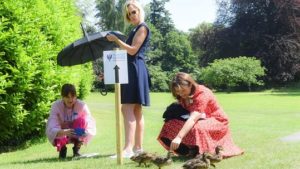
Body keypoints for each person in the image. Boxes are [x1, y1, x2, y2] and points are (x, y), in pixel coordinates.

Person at [157, 72, 243, 158]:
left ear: (190, 85)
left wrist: (179, 137)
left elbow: (193, 118)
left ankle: (203, 152)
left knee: (197, 128)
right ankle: (188, 150)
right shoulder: (183, 95)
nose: (181, 94)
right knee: (170, 124)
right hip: (199, 118)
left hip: (217, 120)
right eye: (177, 91)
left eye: (183, 90)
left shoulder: (202, 93)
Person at [106, 0, 151, 158]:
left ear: (139, 11)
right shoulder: (137, 28)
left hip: (134, 69)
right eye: (128, 13)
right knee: (136, 110)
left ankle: (128, 149)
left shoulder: (142, 27)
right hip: (134, 69)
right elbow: (127, 52)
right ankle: (138, 148)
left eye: (133, 12)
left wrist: (117, 41)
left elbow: (132, 51)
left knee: (126, 108)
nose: (131, 15)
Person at [46, 83, 96, 159]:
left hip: (77, 132)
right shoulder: (56, 106)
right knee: (57, 130)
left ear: (76, 96)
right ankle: (62, 150)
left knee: (82, 120)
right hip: (62, 132)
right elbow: (52, 126)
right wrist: (65, 131)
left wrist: (87, 131)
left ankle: (76, 150)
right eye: (67, 97)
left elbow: (89, 120)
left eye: (73, 96)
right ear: (62, 97)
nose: (70, 100)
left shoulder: (81, 105)